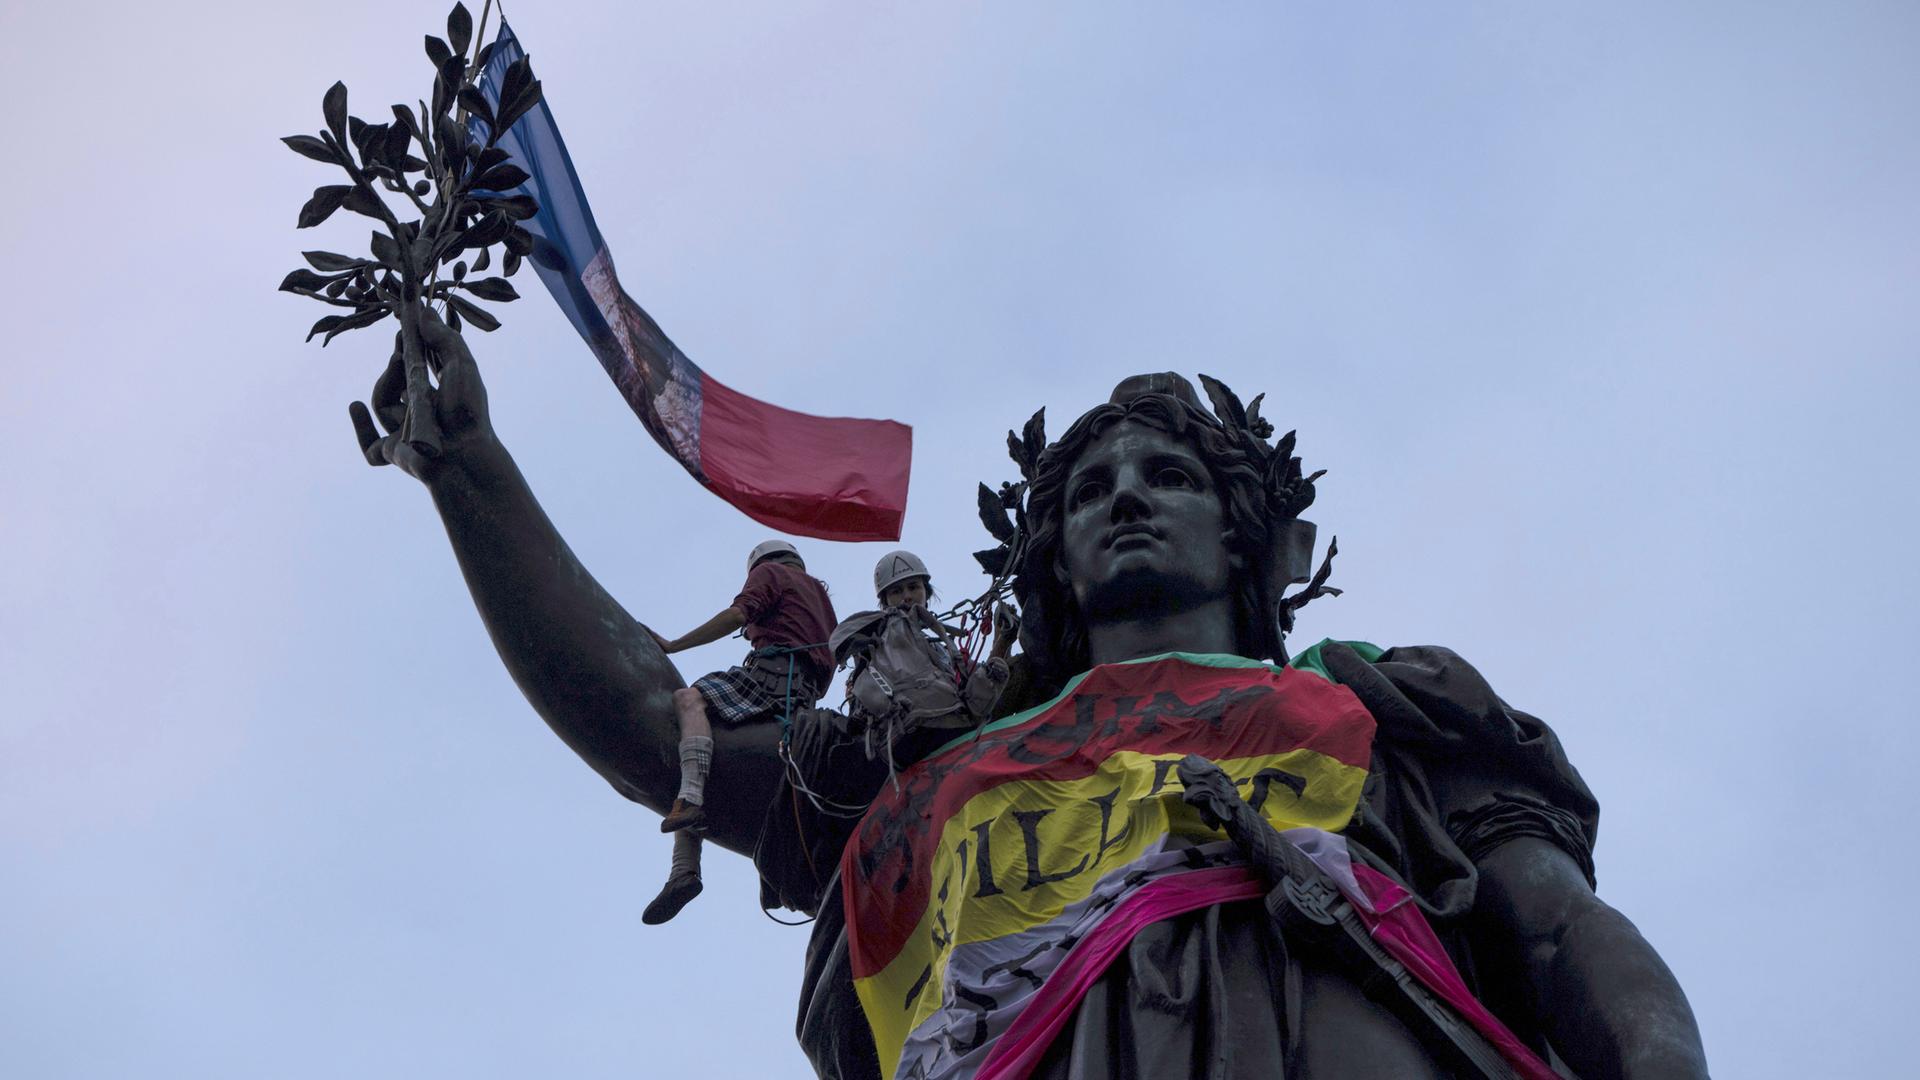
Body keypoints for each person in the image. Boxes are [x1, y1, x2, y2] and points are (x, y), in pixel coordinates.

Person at [350, 320, 1706, 1077]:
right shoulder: (931, 770)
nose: (1125, 496)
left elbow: (1560, 931)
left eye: (1169, 476)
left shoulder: (1377, 710)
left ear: (1249, 535)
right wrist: (474, 475)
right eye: (1093, 488)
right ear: (1045, 554)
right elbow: (659, 731)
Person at [642, 538, 838, 924]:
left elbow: (737, 615)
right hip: (804, 699)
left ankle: (690, 812)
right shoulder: (821, 599)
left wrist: (675, 645)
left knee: (689, 701)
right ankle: (685, 870)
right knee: (701, 747)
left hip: (769, 679)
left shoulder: (770, 574)